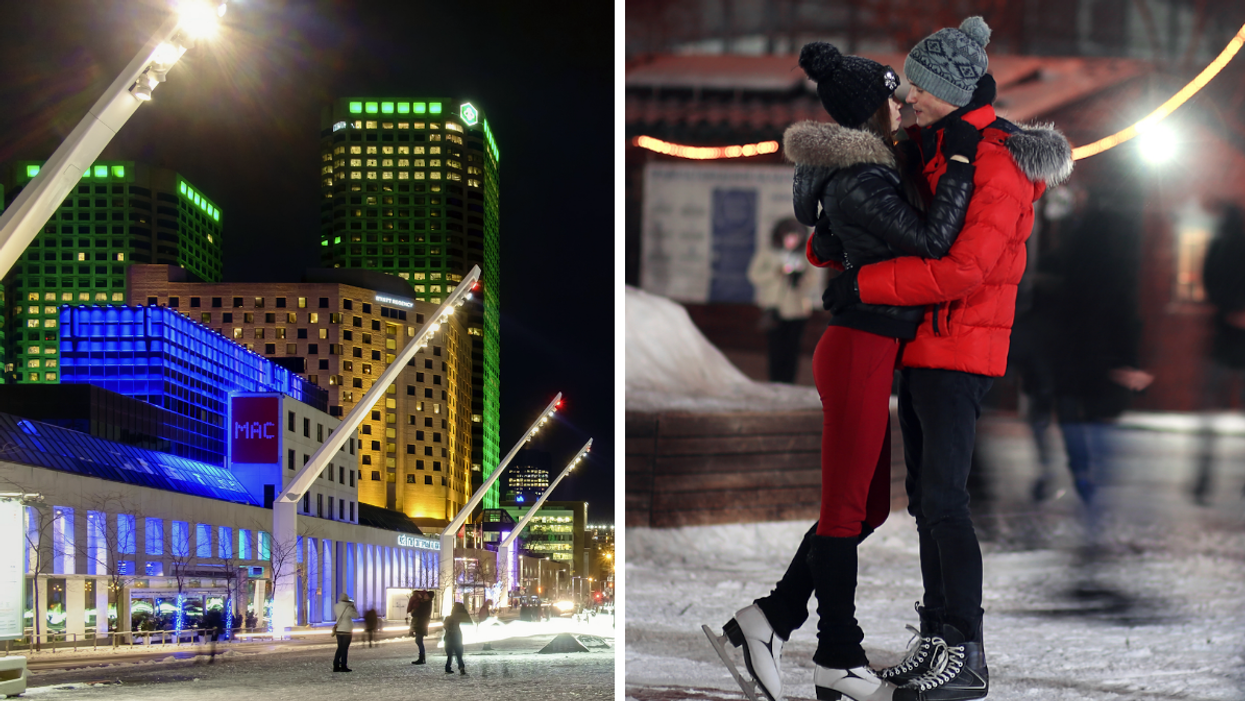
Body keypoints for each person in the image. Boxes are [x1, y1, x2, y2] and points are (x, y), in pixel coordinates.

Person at [720, 38, 982, 701]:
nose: (902, 108)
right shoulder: (862, 175)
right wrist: (957, 165)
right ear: (873, 109)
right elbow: (930, 242)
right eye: (893, 98)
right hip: (860, 348)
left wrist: (851, 268)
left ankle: (770, 616)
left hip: (864, 345)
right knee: (843, 511)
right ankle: (837, 653)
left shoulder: (861, 171)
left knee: (863, 509)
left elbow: (824, 245)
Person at [820, 16, 1073, 700]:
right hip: (926, 340)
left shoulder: (992, 159)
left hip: (959, 346)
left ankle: (964, 649)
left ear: (947, 91)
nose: (903, 96)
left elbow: (962, 269)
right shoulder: (941, 147)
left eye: (915, 88)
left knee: (944, 501)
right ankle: (937, 636)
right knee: (926, 502)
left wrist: (864, 285)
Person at [1195, 203, 1245, 503]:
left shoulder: (1218, 245)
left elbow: (1210, 282)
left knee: (1210, 415)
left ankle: (1204, 479)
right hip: (1231, 340)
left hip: (1223, 339)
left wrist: (1229, 310)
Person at [747, 218, 821, 383]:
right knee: (776, 348)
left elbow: (813, 279)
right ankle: (775, 380)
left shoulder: (804, 255)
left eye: (796, 237)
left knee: (792, 348)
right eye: (789, 236)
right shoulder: (768, 252)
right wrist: (776, 273)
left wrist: (800, 278)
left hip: (798, 309)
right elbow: (754, 275)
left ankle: (789, 380)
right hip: (775, 308)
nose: (792, 241)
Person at [443, 601, 474, 675]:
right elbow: (469, 621)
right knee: (458, 654)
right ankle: (461, 667)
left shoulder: (448, 618)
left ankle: (448, 668)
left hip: (448, 637)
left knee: (449, 655)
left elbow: (445, 626)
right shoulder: (460, 617)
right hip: (457, 637)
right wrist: (464, 612)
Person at [332, 592, 358, 673]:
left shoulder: (336, 606)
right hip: (347, 630)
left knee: (340, 647)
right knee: (345, 648)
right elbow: (356, 616)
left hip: (339, 629)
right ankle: (343, 665)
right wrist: (353, 607)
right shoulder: (349, 608)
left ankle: (336, 665)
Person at [409, 591, 432, 665]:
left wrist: (414, 613)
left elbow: (420, 613)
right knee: (419, 641)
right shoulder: (425, 603)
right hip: (421, 624)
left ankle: (422, 658)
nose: (425, 596)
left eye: (426, 595)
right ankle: (422, 658)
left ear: (429, 597)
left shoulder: (426, 604)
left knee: (419, 641)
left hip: (421, 625)